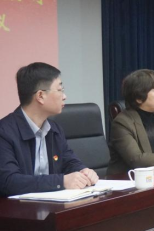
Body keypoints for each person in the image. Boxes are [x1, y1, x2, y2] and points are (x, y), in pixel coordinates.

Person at [0, 62, 99, 196]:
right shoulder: (4, 132)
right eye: (60, 90)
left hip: (52, 204)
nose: (64, 96)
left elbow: (69, 161)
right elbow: (8, 181)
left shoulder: (54, 129)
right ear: (40, 96)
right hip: (17, 207)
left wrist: (84, 172)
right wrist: (61, 181)